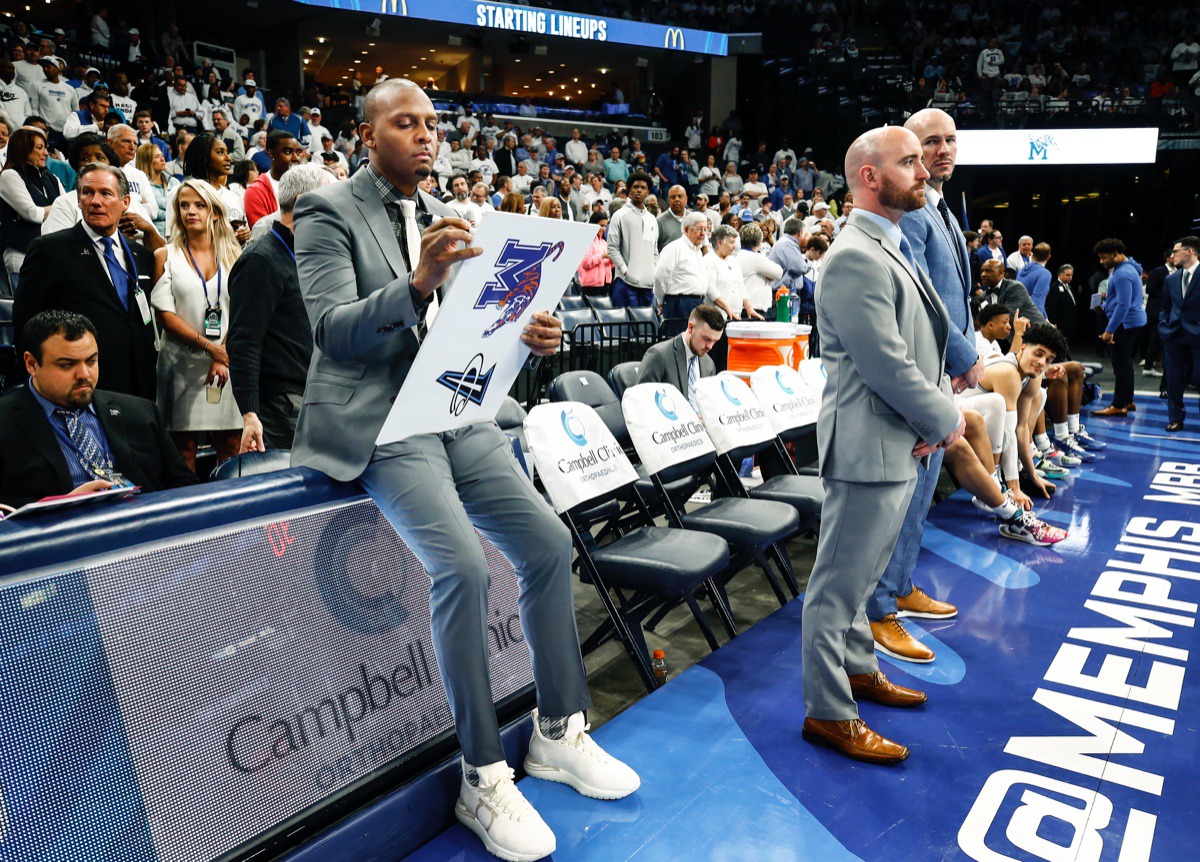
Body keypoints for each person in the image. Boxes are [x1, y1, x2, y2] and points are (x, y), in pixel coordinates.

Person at [290, 78, 638, 862]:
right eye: (404, 123)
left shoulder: (451, 212)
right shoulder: (327, 211)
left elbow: (471, 324)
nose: (424, 135)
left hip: (454, 409)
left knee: (549, 544)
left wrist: (529, 333)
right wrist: (416, 283)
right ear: (367, 132)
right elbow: (333, 333)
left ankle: (556, 733)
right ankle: (482, 775)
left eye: (432, 124)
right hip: (380, 423)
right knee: (463, 570)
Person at [801, 126, 964, 765]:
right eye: (909, 162)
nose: (924, 171)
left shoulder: (886, 243)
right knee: (837, 587)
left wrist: (927, 424)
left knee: (867, 578)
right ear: (870, 176)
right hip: (870, 445)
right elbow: (887, 366)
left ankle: (859, 672)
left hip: (898, 440)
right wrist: (945, 421)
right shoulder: (853, 255)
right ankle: (827, 711)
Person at [865, 108, 982, 663]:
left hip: (940, 368)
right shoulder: (912, 212)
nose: (942, 151)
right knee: (907, 490)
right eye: (928, 143)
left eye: (949, 141)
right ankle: (879, 606)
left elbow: (957, 290)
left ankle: (901, 584)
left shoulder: (943, 205)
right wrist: (965, 354)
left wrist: (966, 349)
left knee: (924, 486)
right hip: (920, 367)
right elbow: (926, 296)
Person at [0, 310, 198, 509]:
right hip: (59, 535)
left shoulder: (141, 413)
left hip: (144, 530)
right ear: (32, 364)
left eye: (91, 361)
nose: (84, 374)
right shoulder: (6, 423)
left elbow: (186, 487)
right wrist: (64, 506)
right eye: (67, 365)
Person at [14, 163, 156, 399]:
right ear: (78, 201)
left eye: (106, 193)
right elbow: (27, 322)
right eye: (87, 193)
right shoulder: (50, 250)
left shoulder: (140, 254)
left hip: (139, 385)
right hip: (80, 386)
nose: (95, 201)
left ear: (126, 202)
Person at [228, 164, 330, 452]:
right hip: (283, 407)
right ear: (304, 205)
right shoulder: (262, 260)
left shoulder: (303, 254)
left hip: (309, 395)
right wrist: (249, 413)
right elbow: (244, 340)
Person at [150, 179, 243, 470]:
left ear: (214, 212)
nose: (191, 211)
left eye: (199, 205)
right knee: (183, 449)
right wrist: (209, 349)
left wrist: (223, 352)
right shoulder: (165, 255)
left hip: (227, 360)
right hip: (181, 362)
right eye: (184, 205)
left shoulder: (235, 254)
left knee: (230, 443)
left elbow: (243, 308)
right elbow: (165, 315)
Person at [0, 125, 65, 290]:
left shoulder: (52, 178)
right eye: (39, 148)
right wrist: (58, 207)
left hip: (53, 256)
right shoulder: (9, 175)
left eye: (45, 148)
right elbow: (33, 214)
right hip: (22, 257)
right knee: (25, 314)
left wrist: (46, 210)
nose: (45, 153)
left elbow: (70, 210)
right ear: (23, 149)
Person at [1093, 237, 1146, 416]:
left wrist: (1110, 330)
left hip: (1125, 323)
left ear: (1115, 254)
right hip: (1132, 321)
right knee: (1125, 363)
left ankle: (1118, 405)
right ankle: (1128, 400)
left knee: (1120, 365)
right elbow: (1120, 301)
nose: (1102, 261)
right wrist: (1106, 305)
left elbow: (1124, 305)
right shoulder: (1129, 267)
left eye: (1104, 257)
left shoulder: (1123, 273)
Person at [167, 133, 250, 243]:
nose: (228, 158)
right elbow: (173, 238)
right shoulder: (180, 192)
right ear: (204, 157)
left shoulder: (234, 197)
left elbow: (244, 234)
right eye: (220, 152)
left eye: (227, 152)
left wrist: (244, 235)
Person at [636, 303, 723, 408]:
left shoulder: (708, 364)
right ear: (691, 328)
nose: (710, 346)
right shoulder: (659, 356)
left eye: (715, 341)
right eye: (706, 339)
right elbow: (642, 403)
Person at [1158, 236, 1200, 431]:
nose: (1172, 255)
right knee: (1173, 381)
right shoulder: (1171, 278)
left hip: (1198, 335)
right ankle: (1175, 418)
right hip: (1174, 334)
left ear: (1189, 251)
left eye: (1176, 251)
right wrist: (1164, 325)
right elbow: (1165, 306)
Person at [654, 212, 725, 323]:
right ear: (686, 230)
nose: (703, 234)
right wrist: (661, 300)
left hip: (698, 303)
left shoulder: (698, 252)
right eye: (698, 229)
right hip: (679, 303)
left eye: (705, 230)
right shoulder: (674, 248)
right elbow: (660, 276)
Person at [606, 171, 658, 308]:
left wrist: (654, 273)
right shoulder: (619, 215)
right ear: (630, 191)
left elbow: (654, 250)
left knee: (646, 328)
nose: (639, 190)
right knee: (625, 327)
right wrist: (625, 271)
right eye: (635, 187)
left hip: (648, 284)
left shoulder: (652, 219)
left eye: (643, 187)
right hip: (625, 283)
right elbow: (612, 248)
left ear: (648, 192)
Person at [243, 130, 303, 226]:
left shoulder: (306, 184)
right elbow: (262, 233)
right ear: (271, 153)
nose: (296, 158)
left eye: (298, 152)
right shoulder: (256, 191)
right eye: (288, 152)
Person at [137, 141, 178, 238]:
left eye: (162, 155)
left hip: (175, 236)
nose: (163, 159)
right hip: (151, 237)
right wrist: (172, 213)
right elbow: (143, 212)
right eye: (157, 157)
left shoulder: (174, 182)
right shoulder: (141, 185)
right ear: (146, 161)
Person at [577, 211, 612, 296]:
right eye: (601, 225)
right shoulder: (586, 241)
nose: (604, 229)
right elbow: (585, 262)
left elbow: (609, 264)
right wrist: (602, 256)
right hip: (590, 285)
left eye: (605, 226)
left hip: (605, 283)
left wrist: (612, 259)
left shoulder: (604, 242)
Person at [1016, 242, 1053, 314]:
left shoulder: (1022, 270)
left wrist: (1045, 318)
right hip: (1030, 318)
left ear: (1033, 255)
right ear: (1049, 257)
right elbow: (1037, 300)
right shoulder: (1045, 274)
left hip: (1017, 314)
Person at [1043, 263, 1077, 339]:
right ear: (1060, 275)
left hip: (1069, 322)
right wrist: (1053, 322)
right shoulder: (1053, 287)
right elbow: (1052, 306)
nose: (1070, 277)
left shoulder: (1069, 287)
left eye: (1071, 275)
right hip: (1060, 324)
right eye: (1067, 275)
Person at [657, 184, 688, 251]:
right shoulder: (659, 221)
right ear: (668, 200)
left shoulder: (694, 219)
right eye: (673, 197)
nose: (676, 199)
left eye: (680, 196)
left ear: (686, 199)